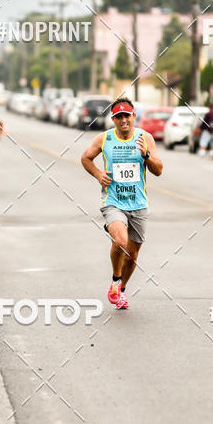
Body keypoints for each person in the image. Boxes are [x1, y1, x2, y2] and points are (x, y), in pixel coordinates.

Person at [81, 97, 163, 310]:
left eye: (127, 115)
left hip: (138, 204)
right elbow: (85, 158)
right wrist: (99, 175)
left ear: (134, 116)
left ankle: (122, 290)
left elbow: (159, 170)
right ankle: (116, 279)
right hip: (113, 201)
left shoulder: (145, 138)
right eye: (119, 117)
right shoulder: (104, 138)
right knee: (120, 240)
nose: (123, 120)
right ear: (113, 119)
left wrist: (145, 155)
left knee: (133, 255)